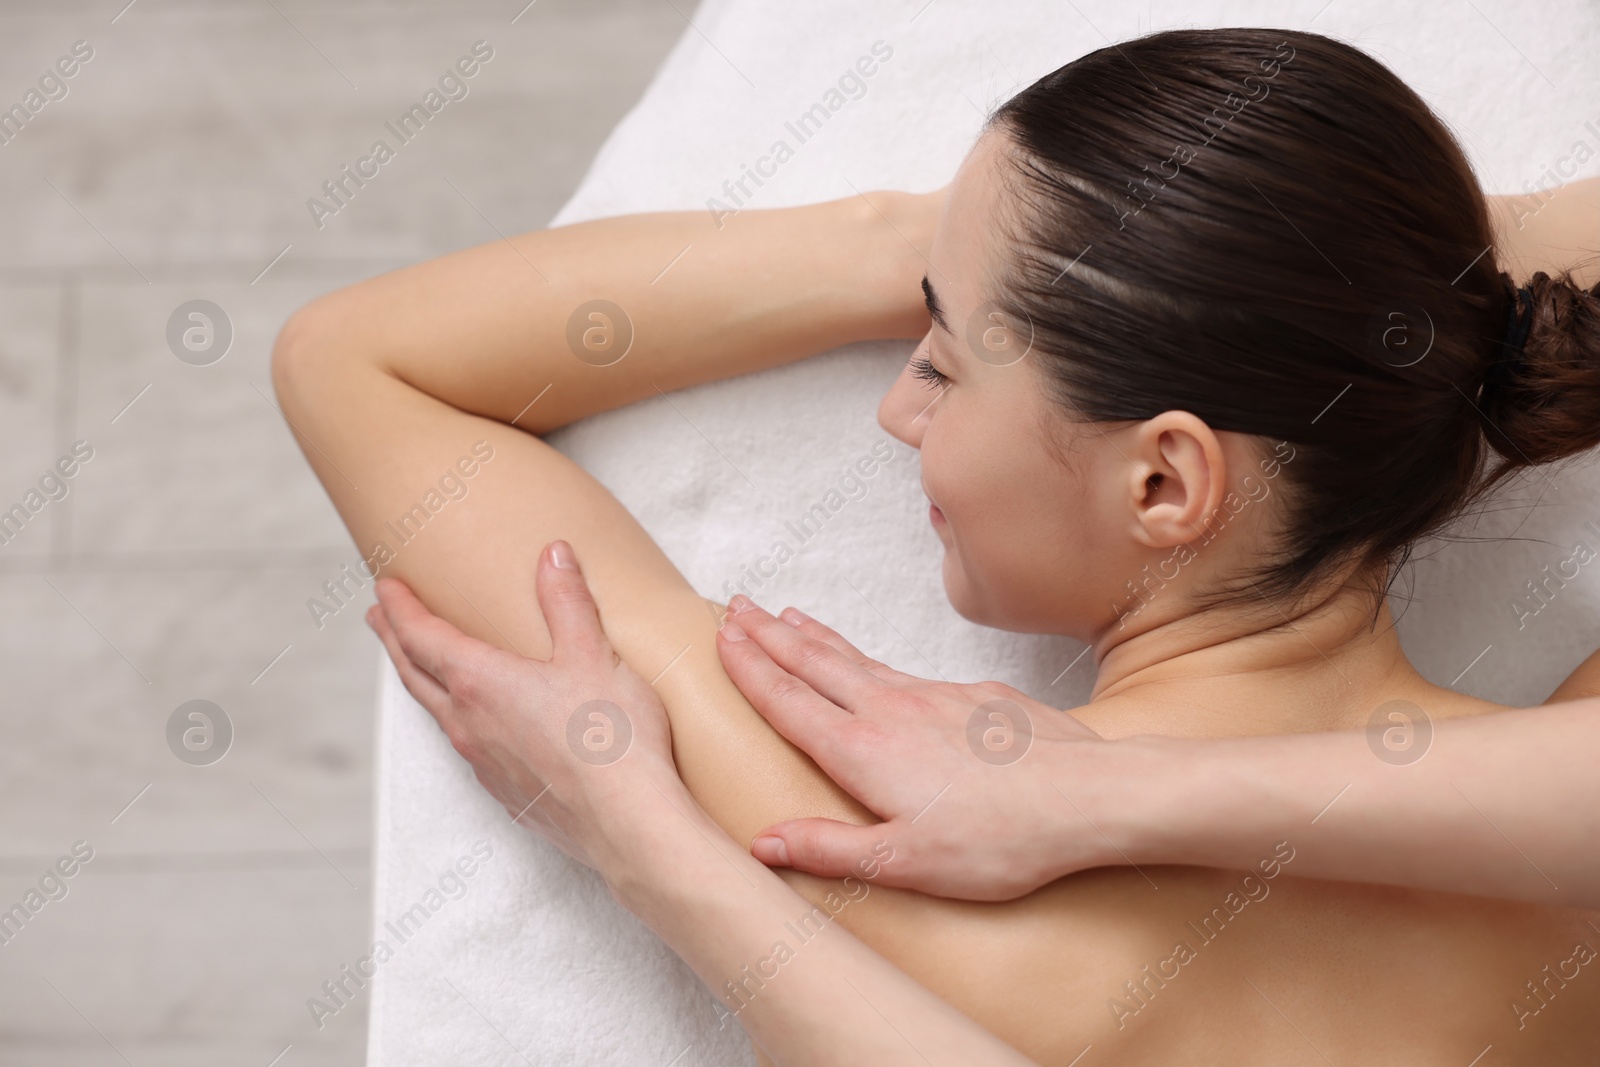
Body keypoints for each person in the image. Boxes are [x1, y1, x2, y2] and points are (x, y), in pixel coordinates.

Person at [276, 26, 1600, 1066]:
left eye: (946, 359)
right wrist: (1375, 291)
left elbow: (357, 364)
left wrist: (895, 240)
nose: (896, 407)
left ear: (1163, 482)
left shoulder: (857, 832)